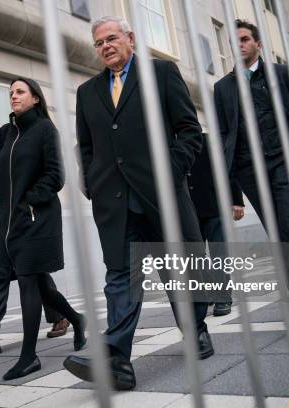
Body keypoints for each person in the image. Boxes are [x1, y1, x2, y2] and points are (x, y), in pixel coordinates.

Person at [64, 16, 211, 391]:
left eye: (111, 38)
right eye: (98, 43)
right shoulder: (87, 92)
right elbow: (87, 147)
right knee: (121, 278)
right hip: (115, 203)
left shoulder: (162, 73)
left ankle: (196, 330)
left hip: (160, 197)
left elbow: (189, 131)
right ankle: (119, 361)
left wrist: (171, 172)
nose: (105, 46)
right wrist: (93, 185)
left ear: (129, 38)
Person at [213, 19, 289, 332]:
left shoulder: (281, 74)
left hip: (284, 160)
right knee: (278, 234)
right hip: (249, 170)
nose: (239, 44)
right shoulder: (223, 88)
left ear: (258, 43)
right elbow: (222, 140)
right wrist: (232, 192)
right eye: (235, 41)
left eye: (245, 39)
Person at [0, 77, 87, 381]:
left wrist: (29, 200)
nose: (14, 96)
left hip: (36, 218)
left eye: (20, 92)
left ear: (35, 98)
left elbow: (56, 175)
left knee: (28, 281)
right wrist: (2, 200)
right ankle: (76, 319)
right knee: (40, 283)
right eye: (10, 93)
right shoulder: (6, 132)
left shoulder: (46, 130)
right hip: (12, 222)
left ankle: (29, 356)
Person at [0, 118, 70, 359]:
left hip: (18, 230)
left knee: (37, 278)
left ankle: (60, 318)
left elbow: (23, 186)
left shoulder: (11, 160)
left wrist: (1, 193)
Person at [187, 135, 245, 317]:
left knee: (219, 254)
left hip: (215, 207)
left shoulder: (209, 141)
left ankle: (222, 298)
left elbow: (228, 170)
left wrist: (236, 199)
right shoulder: (167, 144)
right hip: (188, 211)